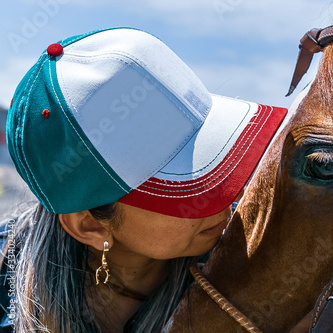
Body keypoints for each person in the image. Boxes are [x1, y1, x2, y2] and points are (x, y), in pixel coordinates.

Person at [0, 27, 287, 332]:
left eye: (226, 158)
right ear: (91, 226)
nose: (230, 193)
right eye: (192, 183)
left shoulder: (265, 272)